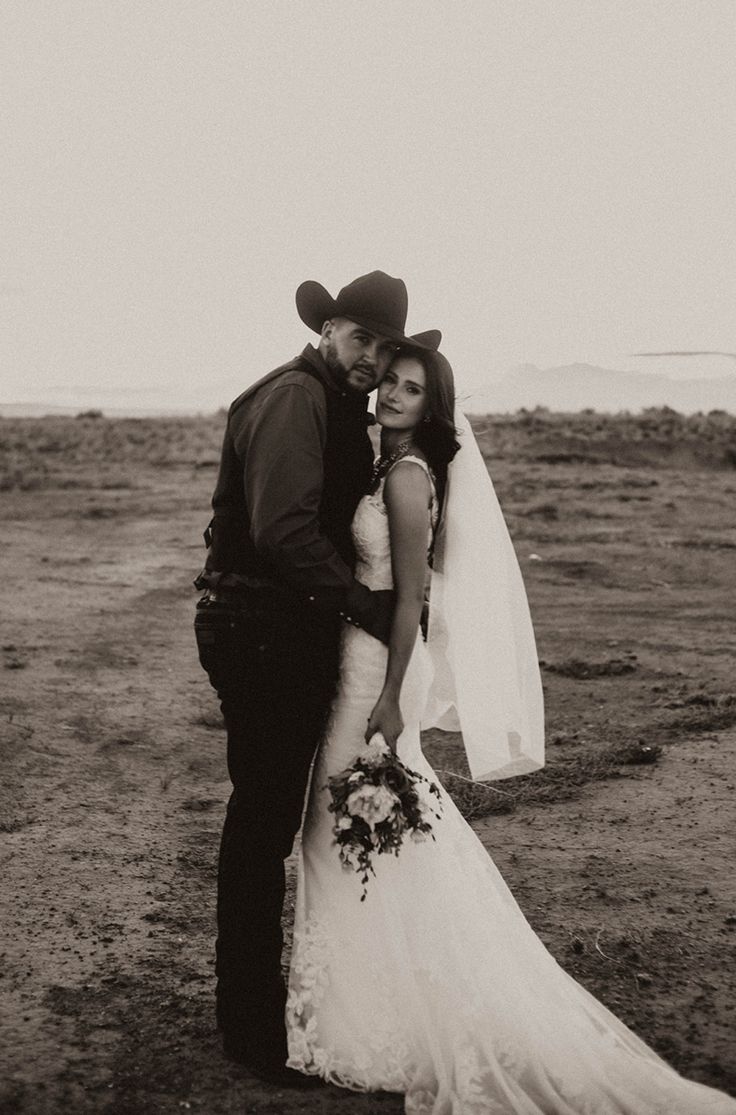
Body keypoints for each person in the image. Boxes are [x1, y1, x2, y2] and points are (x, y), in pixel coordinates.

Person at [285, 347, 736, 1112]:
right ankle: (369, 1004)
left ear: (433, 407)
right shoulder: (385, 463)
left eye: (411, 388)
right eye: (390, 380)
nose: (392, 393)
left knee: (338, 834)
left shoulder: (404, 477)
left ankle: (363, 1020)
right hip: (361, 661)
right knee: (371, 834)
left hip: (377, 670)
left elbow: (409, 599)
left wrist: (392, 695)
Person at [193, 270, 440, 1088]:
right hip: (261, 632)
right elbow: (283, 531)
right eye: (361, 339)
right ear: (329, 330)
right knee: (263, 823)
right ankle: (253, 1031)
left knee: (271, 820)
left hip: (282, 635)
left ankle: (259, 1013)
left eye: (385, 347)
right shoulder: (296, 396)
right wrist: (368, 607)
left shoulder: (332, 404)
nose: (371, 358)